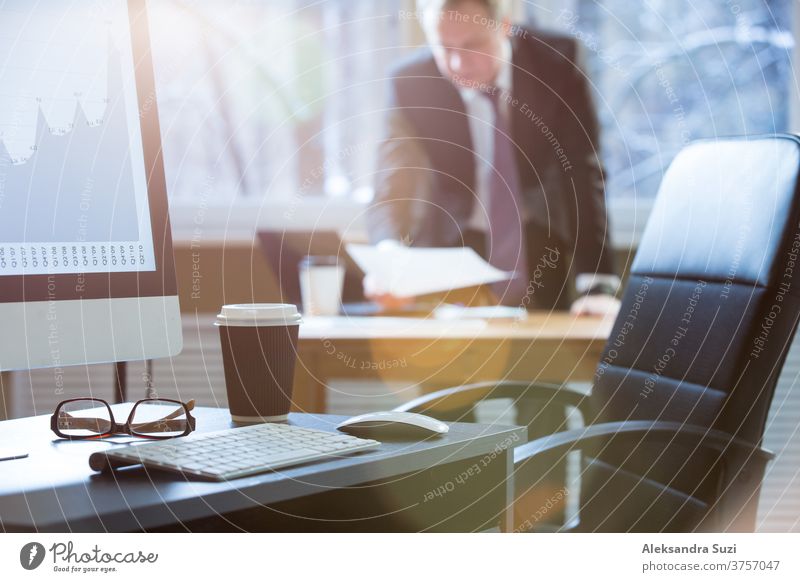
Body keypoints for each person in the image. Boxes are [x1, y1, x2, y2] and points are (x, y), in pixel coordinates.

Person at [367, 0, 620, 315]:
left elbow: (582, 172)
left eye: (472, 45)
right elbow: (392, 183)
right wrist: (390, 258)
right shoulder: (410, 83)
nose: (458, 64)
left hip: (538, 243)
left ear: (503, 27)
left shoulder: (557, 63)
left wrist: (597, 284)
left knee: (545, 356)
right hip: (452, 247)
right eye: (444, 47)